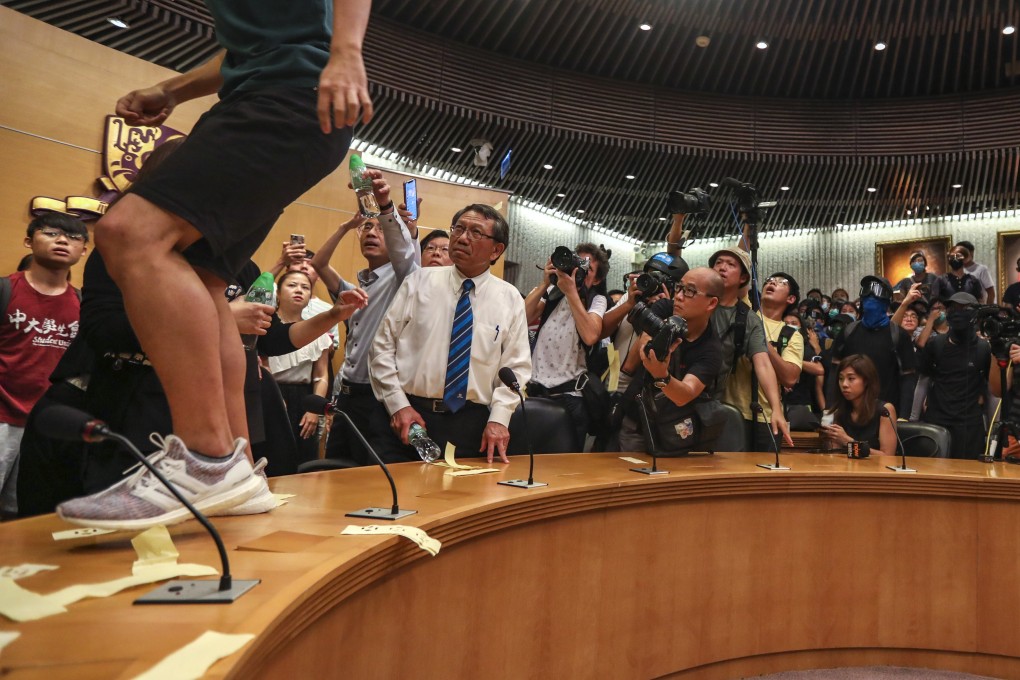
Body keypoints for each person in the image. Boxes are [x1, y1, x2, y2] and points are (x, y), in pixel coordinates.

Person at [56, 0, 374, 529]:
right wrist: (173, 90)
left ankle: (205, 461)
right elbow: (256, 41)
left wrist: (345, 51)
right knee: (204, 279)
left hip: (288, 97)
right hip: (268, 95)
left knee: (127, 231)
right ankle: (238, 466)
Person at [370, 204, 531, 463]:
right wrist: (397, 404)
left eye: (476, 232)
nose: (462, 237)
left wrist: (499, 419)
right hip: (408, 417)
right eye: (459, 228)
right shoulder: (418, 282)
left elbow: (516, 367)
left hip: (471, 424)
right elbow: (381, 348)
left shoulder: (509, 298)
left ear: (496, 250)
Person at [314, 171, 419, 466]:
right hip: (346, 396)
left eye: (380, 229)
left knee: (368, 475)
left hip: (378, 398)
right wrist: (348, 226)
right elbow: (318, 264)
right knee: (334, 471)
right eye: (367, 228)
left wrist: (387, 212)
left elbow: (405, 253)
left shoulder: (404, 277)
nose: (372, 233)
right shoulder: (357, 288)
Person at [0, 213, 88, 515]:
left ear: (84, 251)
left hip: (49, 427)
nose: (62, 240)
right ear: (28, 241)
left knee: (24, 515)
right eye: (50, 233)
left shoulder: (85, 305)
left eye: (74, 237)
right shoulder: (5, 290)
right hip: (1, 418)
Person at [524, 243, 610, 447]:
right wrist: (545, 283)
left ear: (597, 279)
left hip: (570, 398)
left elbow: (590, 336)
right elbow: (521, 318)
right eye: (575, 263)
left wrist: (572, 292)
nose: (578, 270)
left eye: (586, 269)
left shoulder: (597, 300)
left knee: (563, 469)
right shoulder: (553, 292)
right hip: (535, 392)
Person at [631, 267, 724, 453]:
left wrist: (662, 376)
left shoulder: (711, 349)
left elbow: (684, 395)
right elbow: (645, 348)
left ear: (711, 303)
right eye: (679, 288)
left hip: (675, 429)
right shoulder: (666, 308)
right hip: (636, 416)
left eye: (689, 291)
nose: (679, 297)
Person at [266, 271, 333, 465]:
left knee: (304, 457)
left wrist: (314, 410)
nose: (299, 290)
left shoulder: (317, 329)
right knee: (273, 457)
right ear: (278, 293)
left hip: (304, 398)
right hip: (271, 392)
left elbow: (321, 375)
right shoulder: (264, 325)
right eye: (292, 285)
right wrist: (275, 400)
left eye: (305, 287)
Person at [829, 275, 917, 416]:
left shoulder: (898, 335)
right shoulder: (848, 332)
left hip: (885, 412)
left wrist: (903, 417)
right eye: (867, 297)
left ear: (886, 303)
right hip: (850, 412)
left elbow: (908, 378)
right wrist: (830, 409)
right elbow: (834, 373)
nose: (871, 301)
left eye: (876, 297)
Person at [918, 292, 990, 459]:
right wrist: (912, 419)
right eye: (953, 308)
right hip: (937, 423)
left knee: (969, 476)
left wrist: (993, 427)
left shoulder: (983, 349)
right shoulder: (935, 344)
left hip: (969, 425)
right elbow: (923, 381)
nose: (957, 313)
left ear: (974, 313)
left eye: (964, 309)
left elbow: (991, 392)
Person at [820, 354, 898, 456]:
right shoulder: (841, 411)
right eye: (841, 378)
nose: (844, 384)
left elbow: (888, 456)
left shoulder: (884, 411)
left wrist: (849, 442)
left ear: (866, 381)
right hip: (846, 469)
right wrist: (829, 439)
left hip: (874, 470)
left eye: (851, 379)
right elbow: (836, 452)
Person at [956, 240, 995, 304]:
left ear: (971, 253)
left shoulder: (982, 269)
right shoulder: (956, 269)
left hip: (977, 310)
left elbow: (991, 293)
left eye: (964, 253)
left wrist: (987, 311)